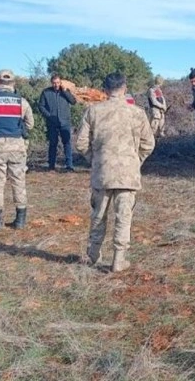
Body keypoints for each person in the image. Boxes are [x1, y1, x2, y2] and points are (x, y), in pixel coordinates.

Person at [75, 73, 155, 272]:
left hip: (102, 173)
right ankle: (119, 259)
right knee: (124, 217)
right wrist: (136, 161)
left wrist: (95, 160)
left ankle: (93, 255)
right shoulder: (137, 113)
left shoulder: (93, 111)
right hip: (128, 174)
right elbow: (148, 144)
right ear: (124, 88)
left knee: (98, 215)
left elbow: (81, 143)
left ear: (105, 89)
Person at [0, 70, 34, 230]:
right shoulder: (21, 102)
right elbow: (30, 124)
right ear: (13, 84)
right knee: (18, 181)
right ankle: (20, 220)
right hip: (17, 146)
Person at [38, 74, 77, 171]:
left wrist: (64, 91)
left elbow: (73, 101)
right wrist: (49, 116)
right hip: (52, 123)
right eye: (54, 83)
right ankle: (51, 166)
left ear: (60, 82)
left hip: (65, 122)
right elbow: (41, 106)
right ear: (51, 83)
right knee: (53, 144)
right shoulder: (46, 92)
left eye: (58, 83)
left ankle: (69, 166)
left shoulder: (65, 91)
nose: (56, 85)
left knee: (67, 143)